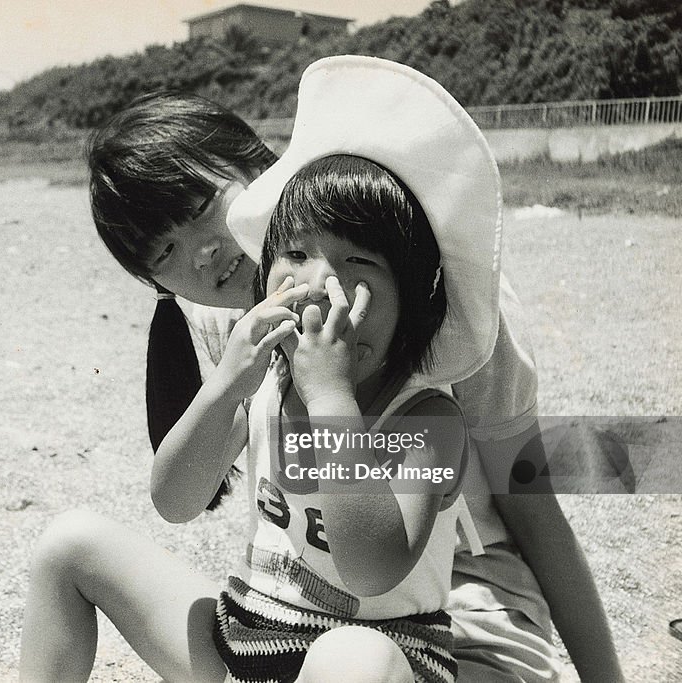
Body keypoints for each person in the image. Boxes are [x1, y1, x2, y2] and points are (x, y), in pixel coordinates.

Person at [82, 57, 623, 681]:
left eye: (204, 206)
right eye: (165, 252)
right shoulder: (232, 326)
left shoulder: (453, 313)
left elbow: (531, 505)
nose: (203, 254)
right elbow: (177, 498)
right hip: (292, 621)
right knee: (74, 545)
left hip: (456, 608)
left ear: (262, 165)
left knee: (353, 660)